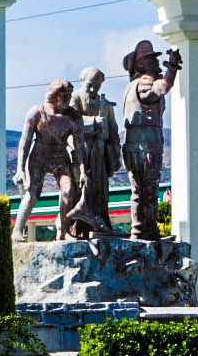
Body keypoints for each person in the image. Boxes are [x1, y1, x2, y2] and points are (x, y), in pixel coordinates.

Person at [120, 39, 181, 241]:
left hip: (144, 143)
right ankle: (141, 231)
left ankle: (147, 229)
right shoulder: (144, 82)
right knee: (144, 190)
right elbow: (160, 88)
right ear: (140, 65)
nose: (156, 63)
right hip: (143, 145)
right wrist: (172, 70)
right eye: (150, 60)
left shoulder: (133, 85)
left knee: (146, 190)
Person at [12, 79, 84, 242]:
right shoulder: (37, 112)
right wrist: (20, 169)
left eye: (69, 95)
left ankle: (63, 230)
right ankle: (18, 229)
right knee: (32, 194)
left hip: (60, 157)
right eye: (65, 95)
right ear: (55, 95)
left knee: (67, 191)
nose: (68, 98)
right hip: (38, 157)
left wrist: (82, 169)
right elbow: (25, 142)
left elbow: (80, 146)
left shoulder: (73, 117)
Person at [62, 66, 119, 238]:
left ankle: (101, 221)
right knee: (82, 186)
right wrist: (94, 122)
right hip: (82, 151)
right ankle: (79, 226)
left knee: (100, 188)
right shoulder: (75, 98)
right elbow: (69, 121)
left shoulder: (106, 104)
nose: (94, 89)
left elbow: (114, 131)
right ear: (83, 82)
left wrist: (115, 154)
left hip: (100, 153)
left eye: (98, 85)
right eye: (90, 85)